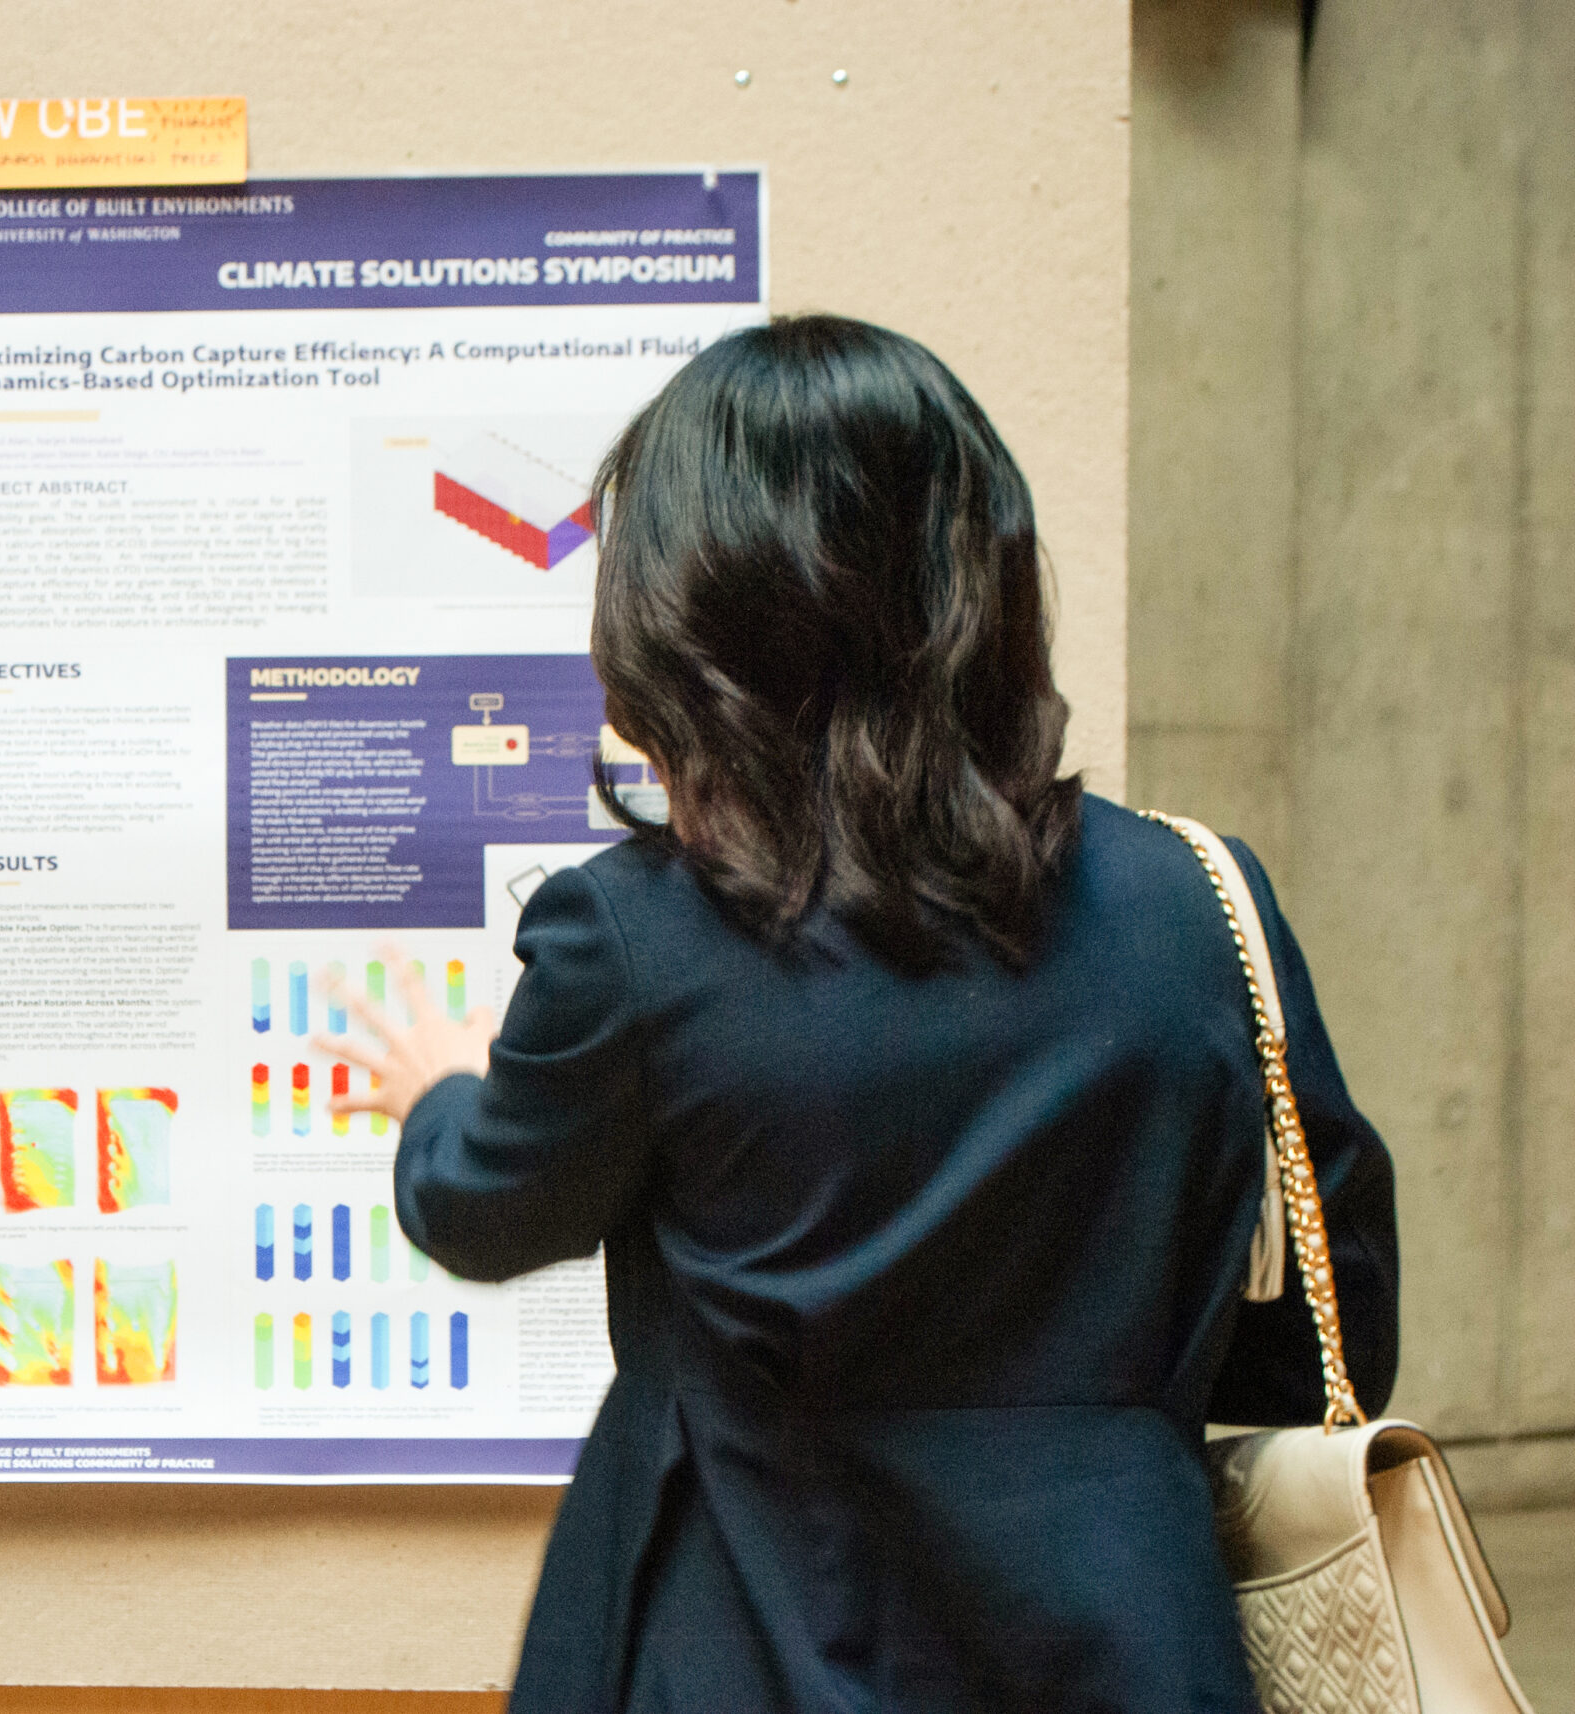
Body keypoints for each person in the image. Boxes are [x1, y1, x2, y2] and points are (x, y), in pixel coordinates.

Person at [320, 316, 1399, 1713]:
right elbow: (1334, 1330)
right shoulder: (1198, 903)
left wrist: (437, 1098)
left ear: (685, 622)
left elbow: (489, 1205)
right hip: (1128, 1648)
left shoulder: (636, 936)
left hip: (750, 1641)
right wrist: (1100, 1390)